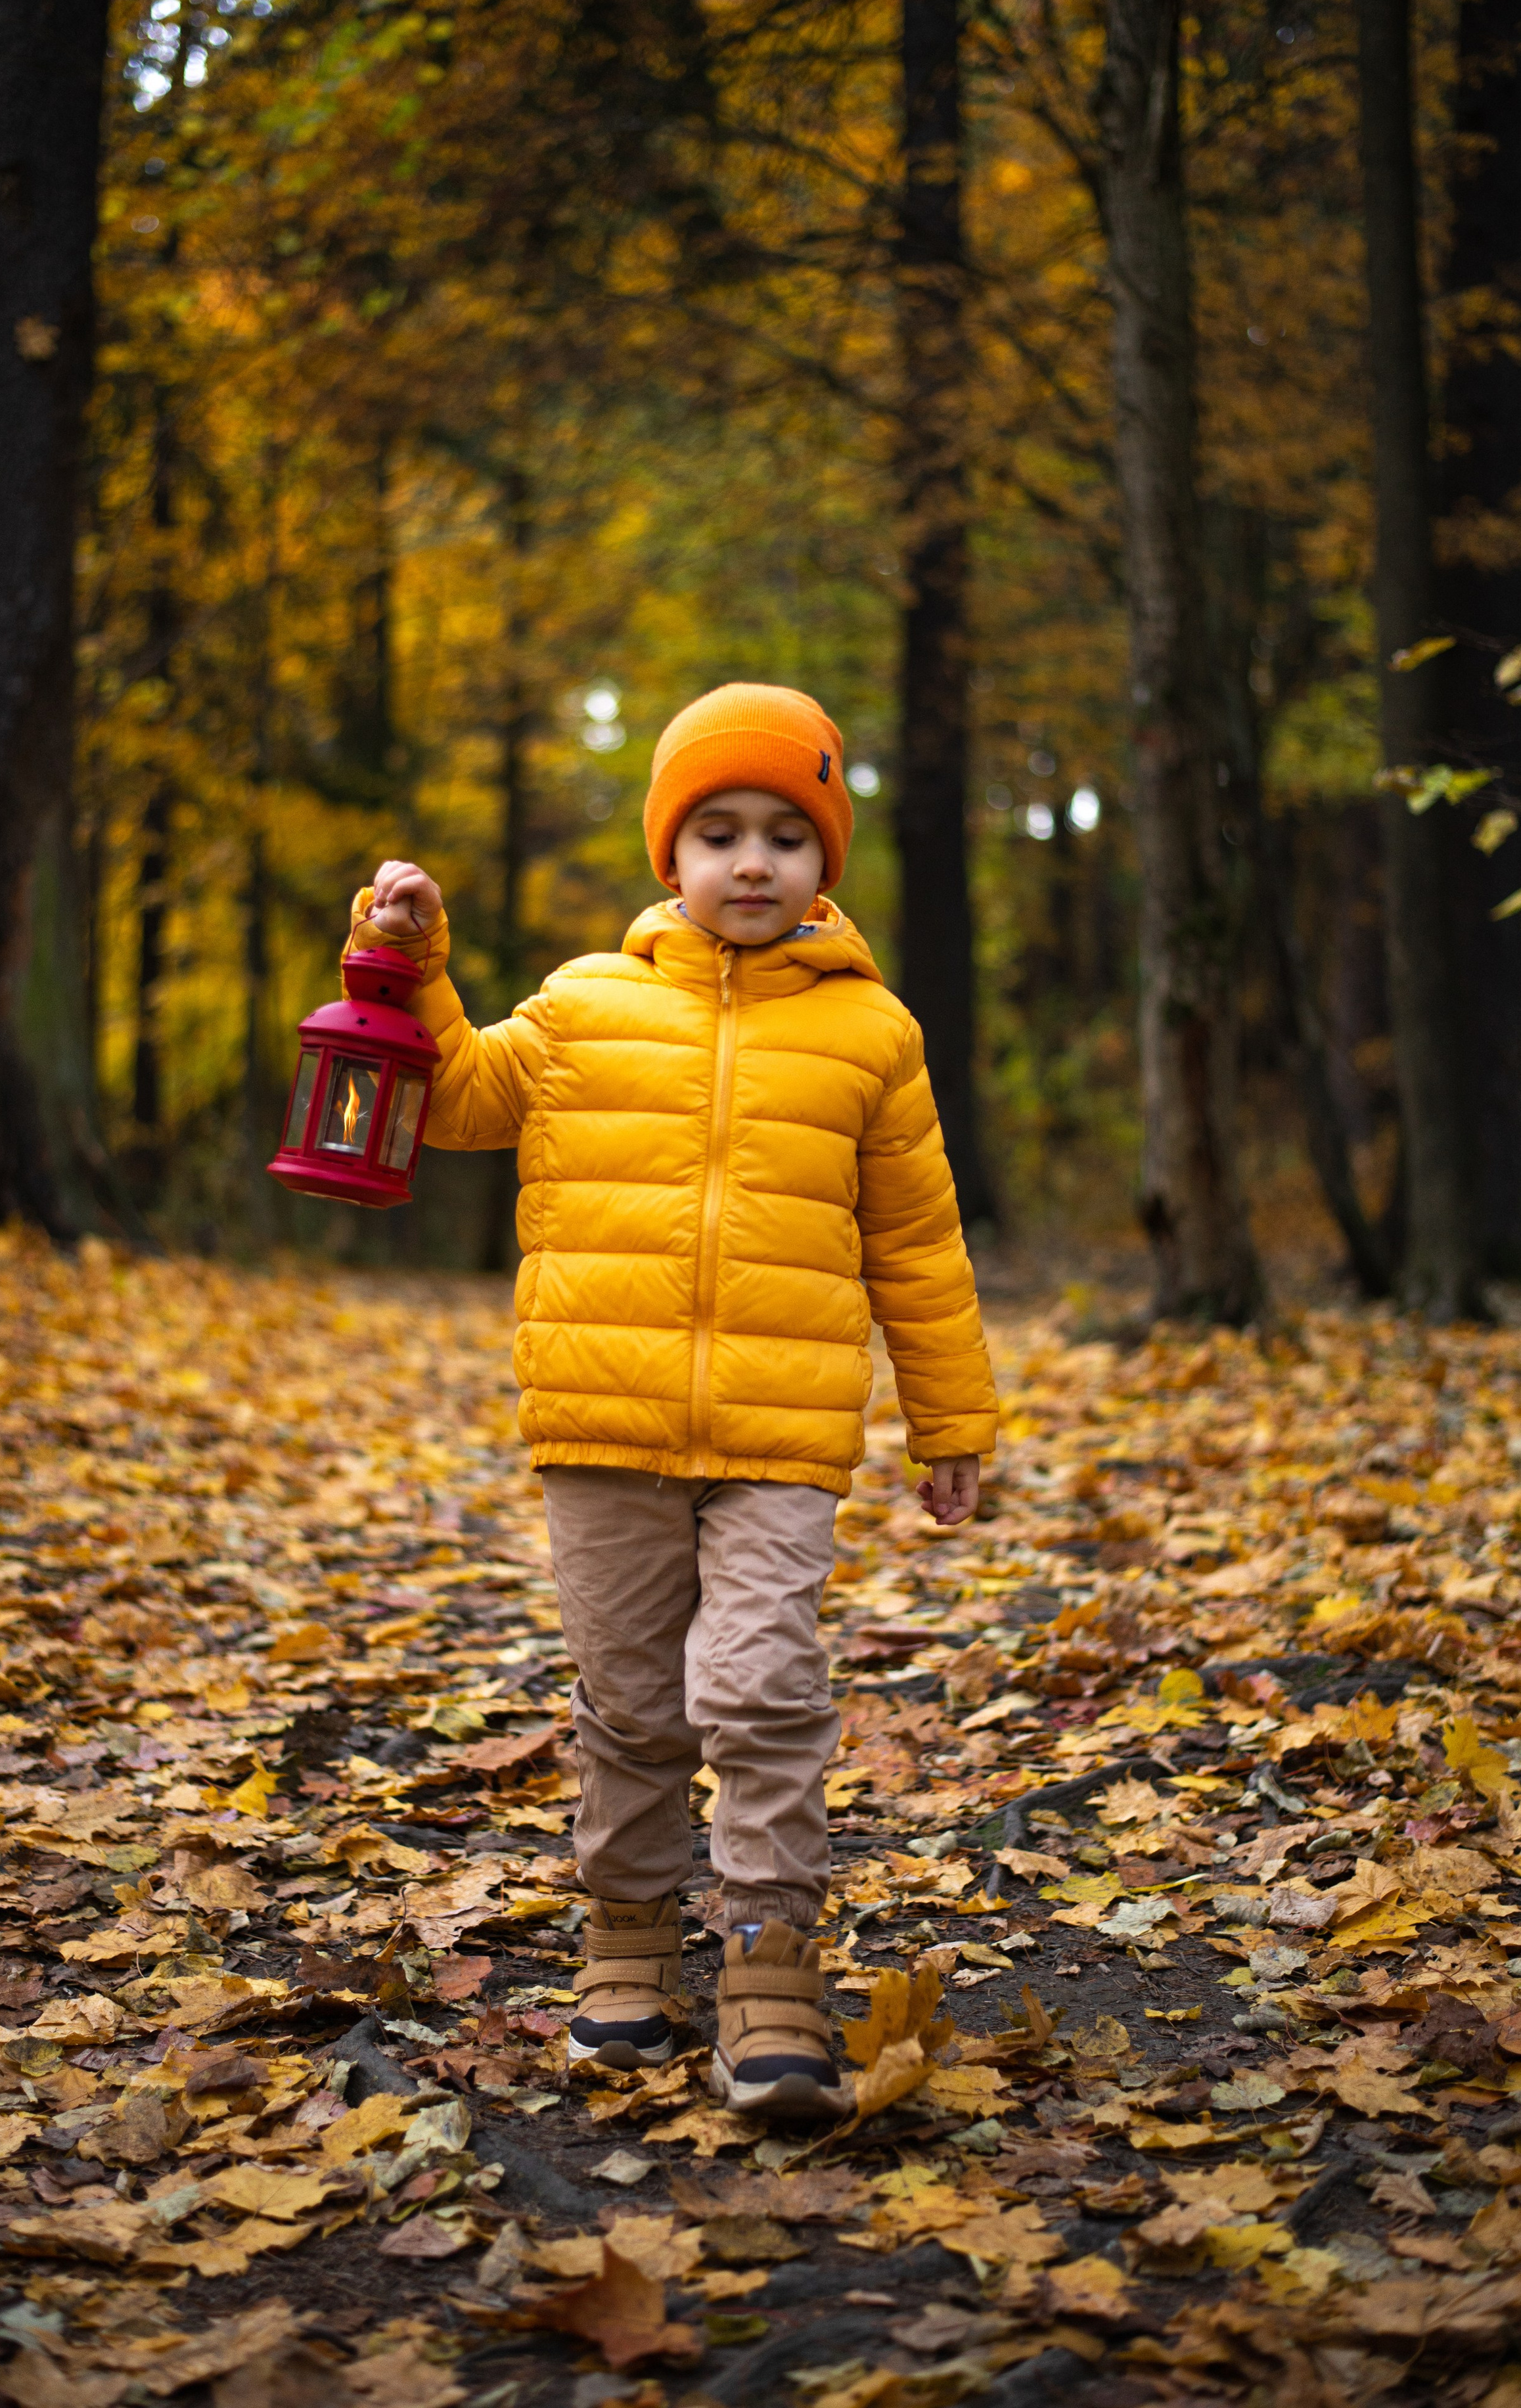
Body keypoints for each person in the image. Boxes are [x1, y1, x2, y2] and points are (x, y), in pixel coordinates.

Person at [350, 681, 997, 2119]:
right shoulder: (583, 1004)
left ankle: (768, 1956)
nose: (752, 860)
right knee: (631, 1705)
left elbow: (916, 1242)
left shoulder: (869, 1038)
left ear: (827, 856)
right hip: (602, 1424)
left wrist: (951, 1421)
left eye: (785, 831)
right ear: (670, 852)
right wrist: (409, 961)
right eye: (718, 830)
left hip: (780, 1438)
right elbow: (455, 1097)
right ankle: (630, 1941)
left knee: (758, 1691)